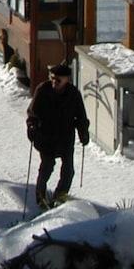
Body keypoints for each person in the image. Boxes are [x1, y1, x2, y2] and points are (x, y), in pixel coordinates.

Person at [26, 62, 90, 207]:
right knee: (47, 166)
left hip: (66, 138)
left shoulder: (74, 94)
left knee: (68, 171)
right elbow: (32, 112)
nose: (55, 81)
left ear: (67, 79)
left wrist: (83, 133)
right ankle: (41, 198)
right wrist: (31, 127)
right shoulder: (42, 90)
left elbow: (81, 117)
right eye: (53, 78)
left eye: (58, 79)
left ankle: (60, 197)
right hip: (46, 137)